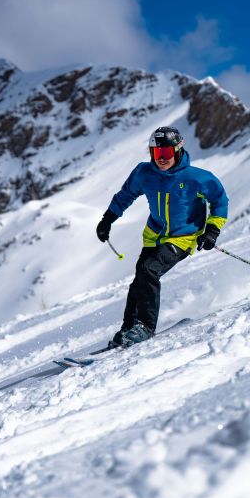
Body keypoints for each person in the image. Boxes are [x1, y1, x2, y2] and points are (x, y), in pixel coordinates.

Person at [95, 126, 228, 348]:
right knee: (140, 279)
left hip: (183, 237)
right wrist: (107, 219)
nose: (161, 159)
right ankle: (129, 328)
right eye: (157, 154)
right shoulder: (144, 173)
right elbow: (125, 195)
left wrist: (212, 230)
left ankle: (145, 327)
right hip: (154, 235)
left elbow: (219, 201)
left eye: (166, 153)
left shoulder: (196, 177)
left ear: (177, 151)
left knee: (149, 270)